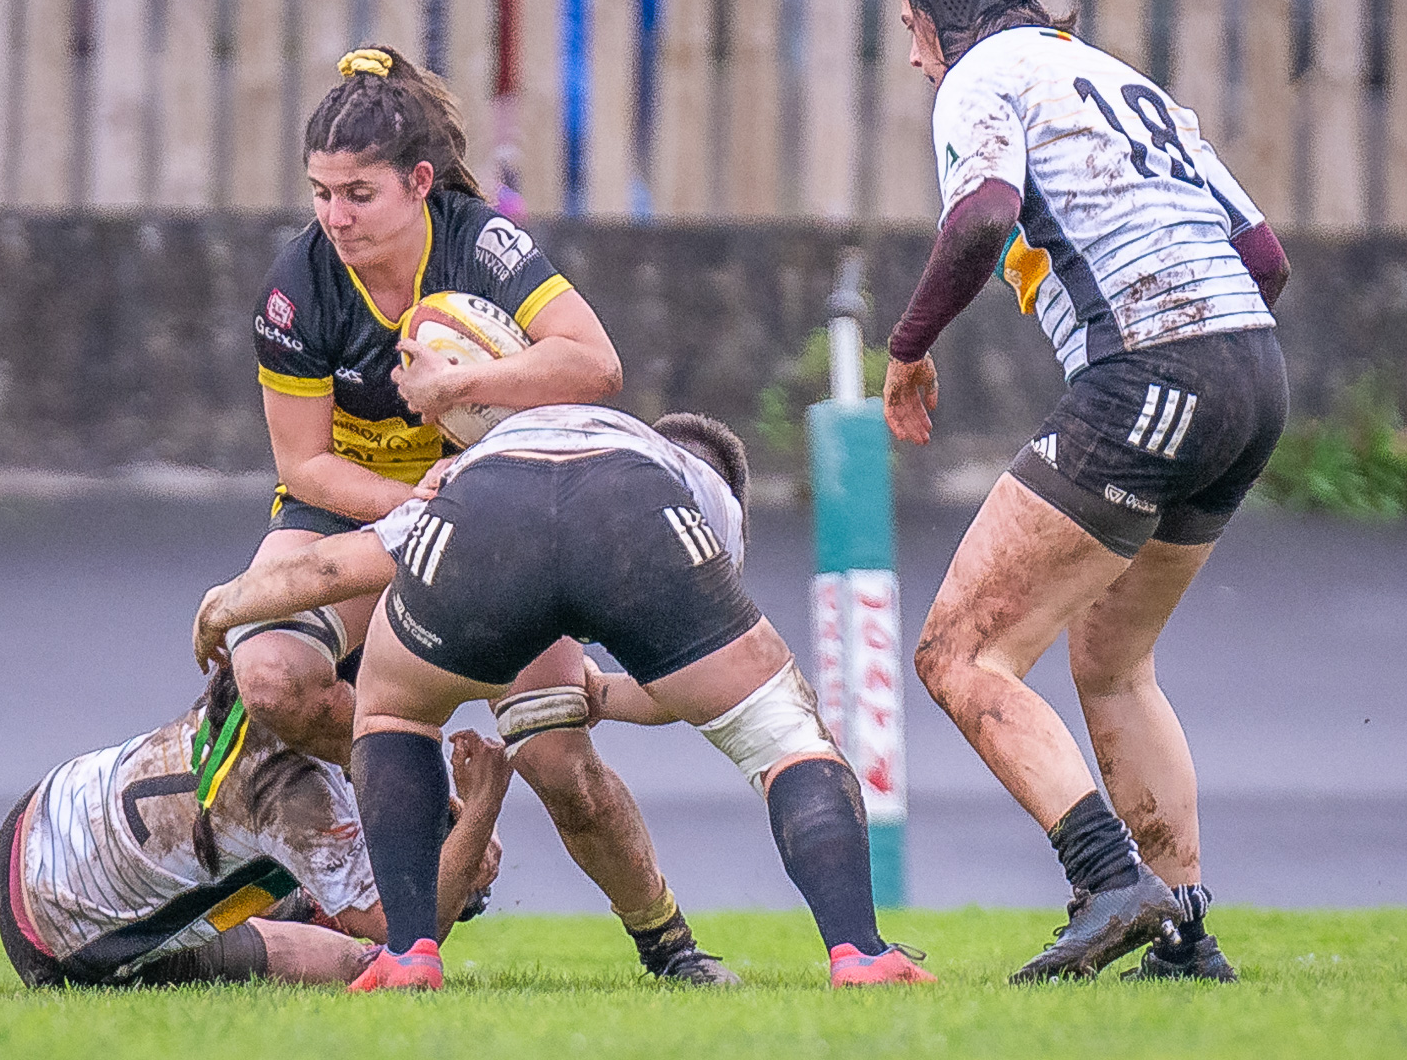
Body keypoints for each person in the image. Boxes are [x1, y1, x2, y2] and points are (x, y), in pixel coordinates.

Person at [238, 43, 726, 983]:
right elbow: (303, 462)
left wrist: (463, 387)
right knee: (268, 675)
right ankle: (441, 807)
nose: (334, 217)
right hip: (356, 508)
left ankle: (666, 942)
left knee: (558, 762)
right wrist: (406, 505)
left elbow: (596, 366)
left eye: (358, 194)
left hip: (494, 512)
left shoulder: (482, 242)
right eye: (320, 193)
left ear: (419, 183)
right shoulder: (296, 286)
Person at [882, 0, 1291, 983]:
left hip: (1155, 371)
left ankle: (1111, 884)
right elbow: (1266, 256)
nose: (913, 52)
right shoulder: (1123, 81)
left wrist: (910, 346)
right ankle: (1185, 934)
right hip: (1254, 374)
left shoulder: (980, 80)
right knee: (1111, 661)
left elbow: (979, 217)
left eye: (911, 26)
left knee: (958, 653)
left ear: (934, 20)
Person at [193, 407, 938, 991]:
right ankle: (859, 953)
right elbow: (690, 682)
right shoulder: (696, 490)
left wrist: (226, 605)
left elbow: (334, 565)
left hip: (487, 518)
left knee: (392, 713)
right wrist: (610, 695)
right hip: (625, 513)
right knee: (784, 737)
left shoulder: (482, 458)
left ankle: (409, 955)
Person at [0, 663, 506, 988]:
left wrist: (222, 608)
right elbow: (407, 935)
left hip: (39, 815)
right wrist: (481, 808)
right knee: (363, 960)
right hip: (67, 939)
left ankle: (321, 901)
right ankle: (324, 907)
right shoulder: (295, 794)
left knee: (273, 868)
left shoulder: (271, 663)